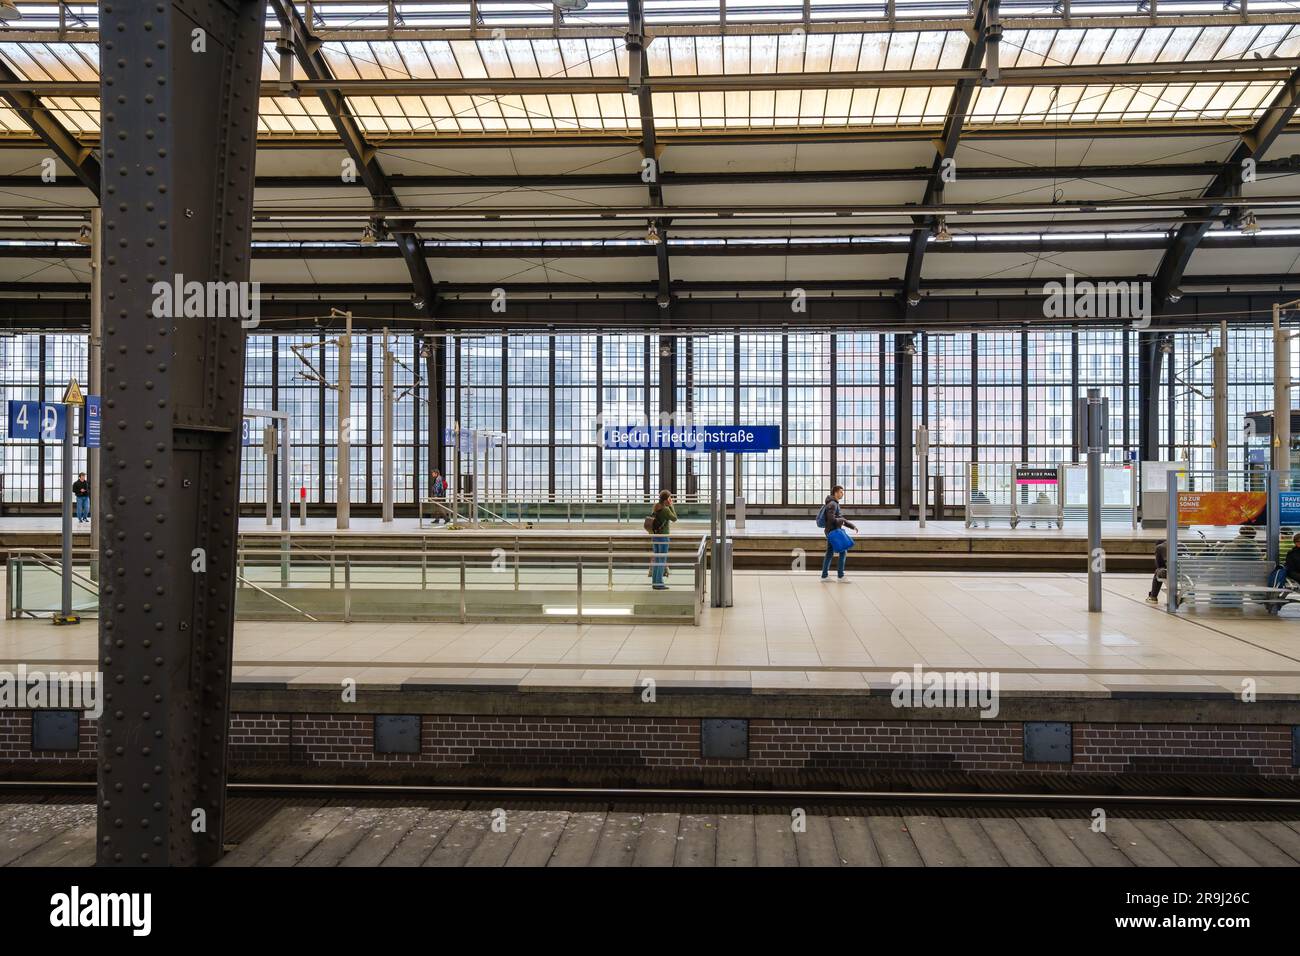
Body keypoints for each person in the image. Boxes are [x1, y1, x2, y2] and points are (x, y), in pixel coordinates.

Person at [819, 484, 858, 582]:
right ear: (835, 493)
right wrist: (842, 521)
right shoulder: (833, 504)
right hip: (834, 531)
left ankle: (824, 576)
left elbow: (840, 519)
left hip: (831, 531)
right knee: (843, 551)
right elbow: (831, 519)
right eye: (841, 492)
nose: (842, 494)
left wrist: (851, 526)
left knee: (829, 553)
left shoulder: (833, 503)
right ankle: (840, 576)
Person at [650, 490, 677, 590]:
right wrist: (671, 506)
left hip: (655, 536)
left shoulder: (656, 506)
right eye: (670, 498)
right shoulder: (665, 509)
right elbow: (674, 518)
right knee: (662, 559)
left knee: (657, 559)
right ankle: (659, 583)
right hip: (663, 537)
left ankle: (655, 582)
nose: (671, 499)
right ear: (666, 499)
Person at [1146, 538, 1167, 605]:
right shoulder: (1181, 544)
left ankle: (1153, 597)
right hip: (1188, 573)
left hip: (1173, 572)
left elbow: (1159, 565)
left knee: (1158, 571)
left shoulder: (1160, 547)